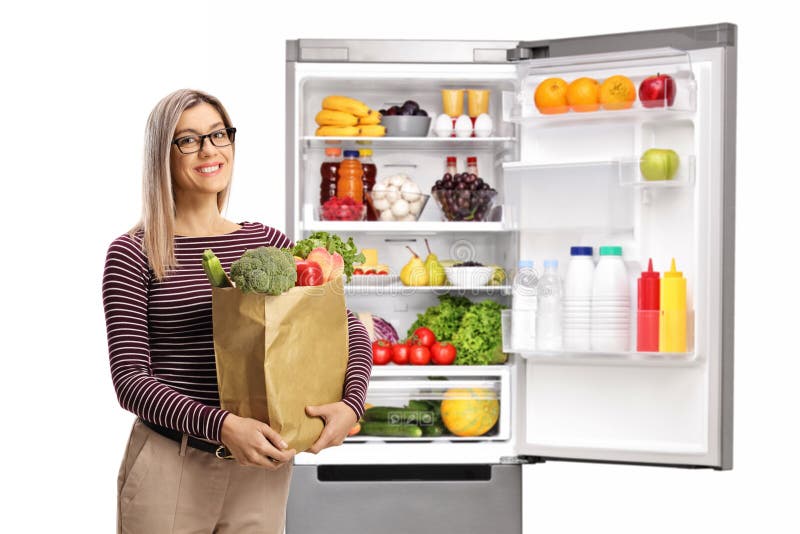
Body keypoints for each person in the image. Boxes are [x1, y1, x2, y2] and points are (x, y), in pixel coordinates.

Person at [102, 89, 372, 533]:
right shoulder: (134, 253)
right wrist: (224, 425)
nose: (209, 150)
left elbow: (345, 328)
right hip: (172, 464)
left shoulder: (268, 242)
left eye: (218, 135)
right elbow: (130, 382)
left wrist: (350, 404)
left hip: (261, 469)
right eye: (188, 140)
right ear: (161, 155)